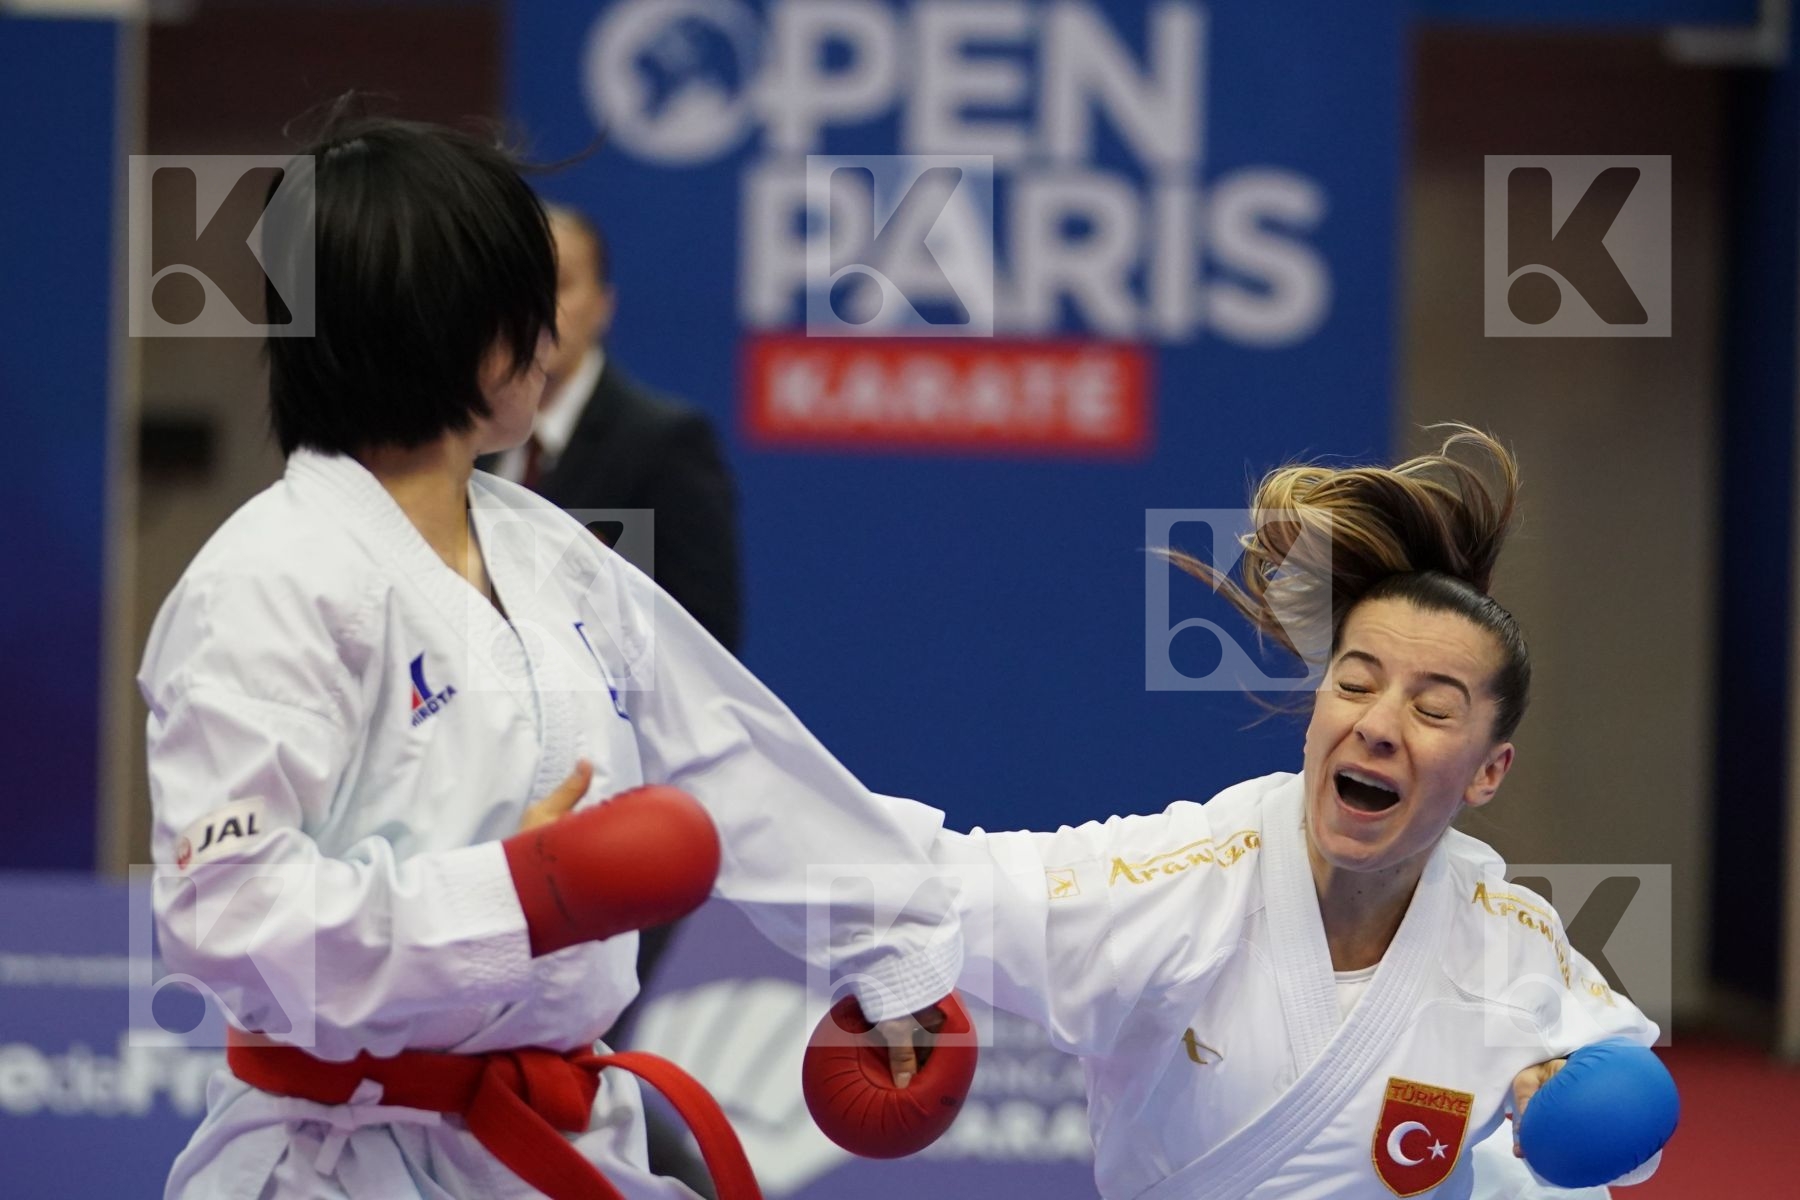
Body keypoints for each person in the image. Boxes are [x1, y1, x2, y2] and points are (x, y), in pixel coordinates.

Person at [138, 109, 961, 1200]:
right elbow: (224, 913)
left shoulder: (546, 550)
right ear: (470, 333)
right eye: (529, 304)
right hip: (337, 1158)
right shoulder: (268, 582)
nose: (553, 338)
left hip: (561, 1139)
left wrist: (889, 943)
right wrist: (514, 895)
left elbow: (724, 751)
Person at [858, 429, 1661, 1199]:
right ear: (1318, 708)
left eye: (1433, 708)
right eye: (1354, 683)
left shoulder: (1509, 941)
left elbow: (1628, 1119)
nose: (1377, 725)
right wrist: (892, 962)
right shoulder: (1171, 884)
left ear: (1489, 772)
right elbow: (902, 876)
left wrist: (1560, 1091)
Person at [484, 204, 741, 653]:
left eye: (560, 284)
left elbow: (704, 639)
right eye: (519, 287)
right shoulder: (468, 439)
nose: (538, 308)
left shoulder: (663, 443)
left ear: (603, 306)